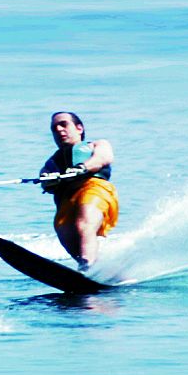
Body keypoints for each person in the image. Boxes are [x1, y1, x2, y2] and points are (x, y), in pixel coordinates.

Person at [38, 110, 117, 268]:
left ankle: (87, 266)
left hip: (95, 188)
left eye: (64, 124)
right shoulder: (52, 162)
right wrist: (47, 180)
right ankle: (93, 267)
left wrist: (82, 167)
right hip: (67, 198)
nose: (59, 130)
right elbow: (45, 180)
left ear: (79, 128)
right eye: (55, 128)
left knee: (84, 224)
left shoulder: (96, 145)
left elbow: (103, 158)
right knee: (64, 230)